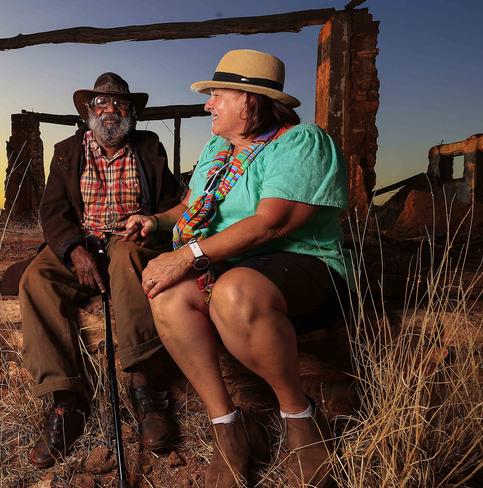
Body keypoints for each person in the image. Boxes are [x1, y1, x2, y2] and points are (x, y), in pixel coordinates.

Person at [124, 50, 352, 487]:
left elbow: (274, 223)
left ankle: (300, 419)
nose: (208, 104)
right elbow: (191, 207)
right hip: (229, 265)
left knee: (233, 291)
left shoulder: (301, 143)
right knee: (168, 295)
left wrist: (186, 256)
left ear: (251, 100)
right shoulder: (217, 150)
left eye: (218, 95)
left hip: (304, 266)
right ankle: (228, 429)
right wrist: (157, 221)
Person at [19, 72, 183, 468]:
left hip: (128, 238)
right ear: (88, 112)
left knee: (128, 260)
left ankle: (147, 390)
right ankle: (65, 401)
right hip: (82, 241)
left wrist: (151, 220)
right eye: (102, 103)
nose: (111, 110)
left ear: (131, 113)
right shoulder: (67, 151)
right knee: (35, 279)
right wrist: (72, 248)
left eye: (120, 104)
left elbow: (171, 201)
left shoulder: (148, 147)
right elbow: (52, 211)